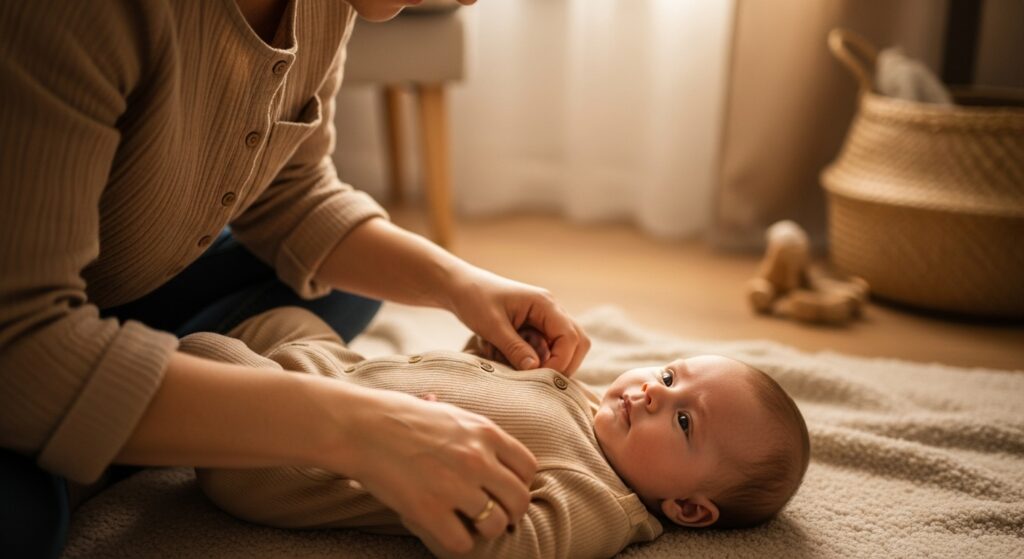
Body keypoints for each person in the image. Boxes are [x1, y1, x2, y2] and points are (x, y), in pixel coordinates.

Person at [0, 0, 589, 556]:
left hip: (101, 282)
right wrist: (353, 426)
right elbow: (18, 344)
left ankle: (121, 398)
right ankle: (110, 414)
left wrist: (460, 285)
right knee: (22, 528)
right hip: (20, 334)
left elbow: (288, 189)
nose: (468, 2)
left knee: (347, 286)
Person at [179, 306, 811, 558]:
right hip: (336, 372)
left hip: (285, 459)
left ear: (689, 509)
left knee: (204, 354)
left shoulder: (600, 500)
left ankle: (127, 403)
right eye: (671, 373)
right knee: (291, 317)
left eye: (681, 420)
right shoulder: (589, 408)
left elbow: (507, 547)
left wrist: (443, 476)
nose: (654, 391)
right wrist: (486, 352)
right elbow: (475, 384)